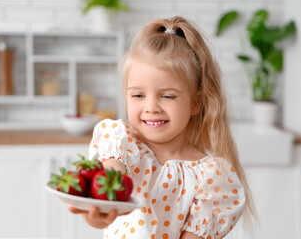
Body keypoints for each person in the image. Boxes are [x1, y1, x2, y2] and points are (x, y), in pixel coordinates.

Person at [69, 16, 257, 239]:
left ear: (196, 102)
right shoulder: (121, 143)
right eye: (138, 95)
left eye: (167, 96)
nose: (151, 107)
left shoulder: (213, 178)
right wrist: (97, 213)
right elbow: (107, 194)